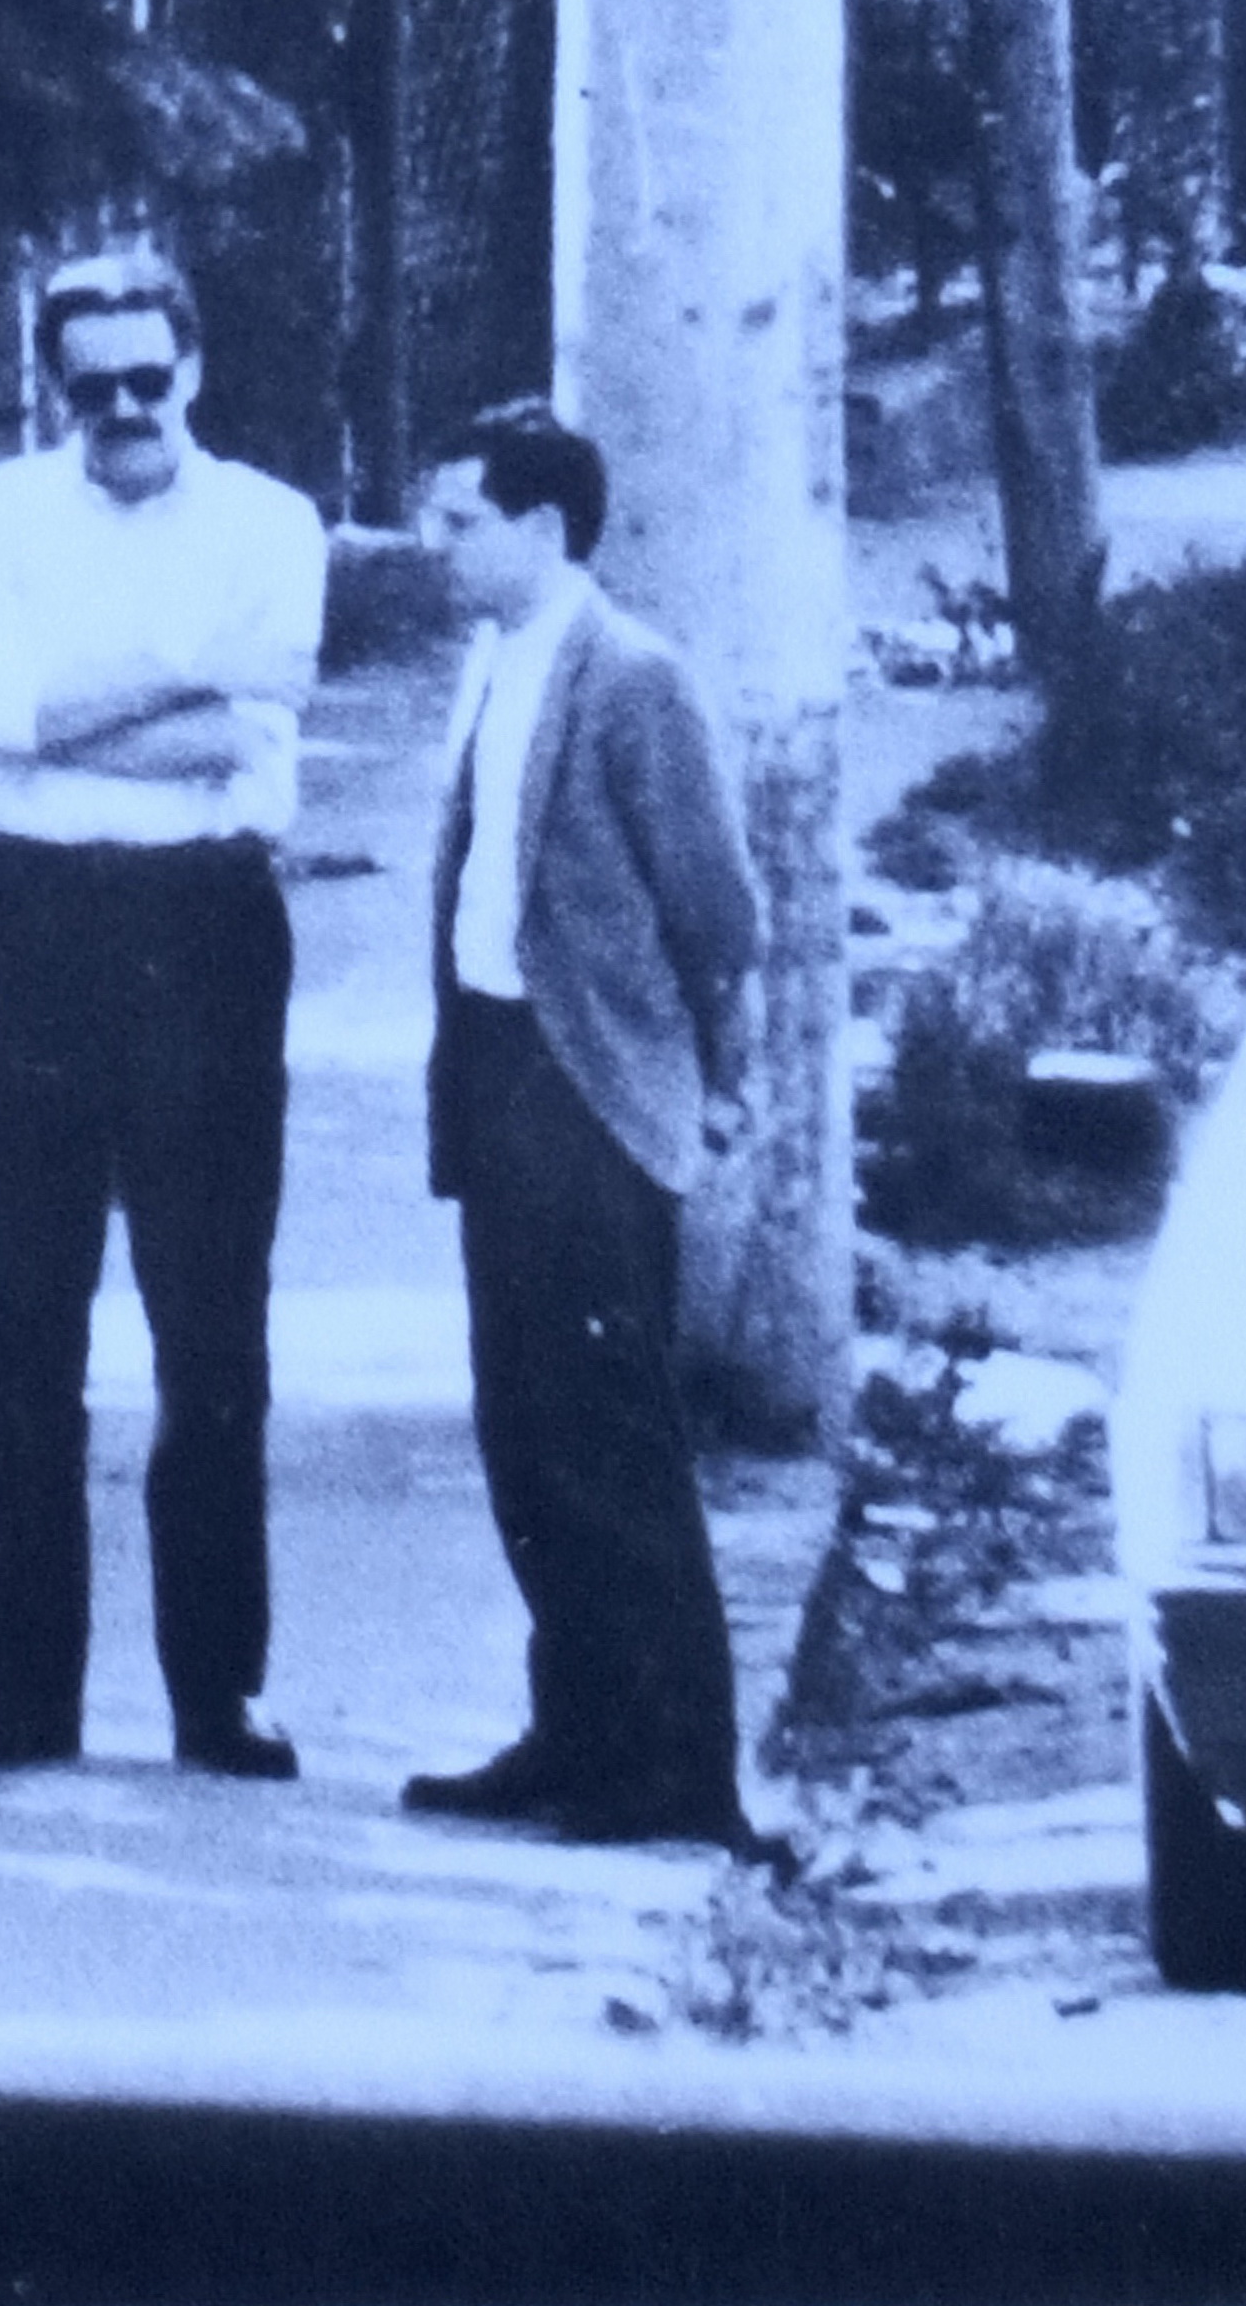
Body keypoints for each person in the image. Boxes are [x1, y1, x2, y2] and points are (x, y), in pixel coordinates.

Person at [0, 252, 328, 1780]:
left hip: (204, 929)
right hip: (24, 919)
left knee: (210, 1322)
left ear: (195, 370)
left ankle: (215, 1689)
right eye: (86, 387)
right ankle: (25, 1690)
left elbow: (258, 727)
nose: (119, 412)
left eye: (145, 381)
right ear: (51, 386)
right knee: (21, 1320)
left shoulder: (270, 523)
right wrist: (178, 684)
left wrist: (83, 714)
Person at [399, 401, 773, 1856]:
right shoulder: (495, 660)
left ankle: (679, 1770)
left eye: (461, 522)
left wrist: (720, 1081)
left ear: (543, 530)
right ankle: (575, 1732)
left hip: (592, 1084)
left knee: (611, 1435)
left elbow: (719, 917)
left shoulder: (631, 677)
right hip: (495, 1067)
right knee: (524, 1424)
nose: (434, 545)